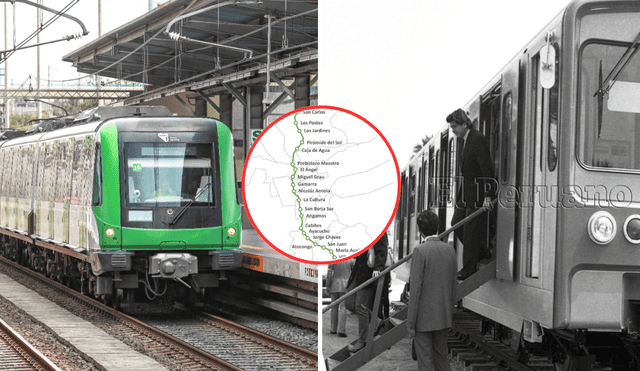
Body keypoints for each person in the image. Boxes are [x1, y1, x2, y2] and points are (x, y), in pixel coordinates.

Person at [447, 108, 495, 281]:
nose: (453, 131)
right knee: (456, 223)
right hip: (466, 195)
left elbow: (486, 169)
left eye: (454, 127)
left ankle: (469, 268)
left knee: (470, 230)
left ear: (464, 124)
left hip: (478, 194)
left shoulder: (477, 139)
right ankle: (482, 251)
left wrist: (488, 196)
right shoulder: (466, 141)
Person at [407, 210, 457, 371]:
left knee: (425, 360)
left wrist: (411, 322)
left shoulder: (420, 251)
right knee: (441, 357)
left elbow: (415, 290)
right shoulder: (450, 250)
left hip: (423, 317)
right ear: (437, 227)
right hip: (443, 315)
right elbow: (453, 286)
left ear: (420, 231)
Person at [346, 233, 389, 353]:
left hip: (368, 271)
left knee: (360, 306)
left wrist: (378, 268)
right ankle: (376, 321)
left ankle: (362, 341)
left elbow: (382, 248)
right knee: (349, 303)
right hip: (358, 269)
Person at [327, 259, 354, 337]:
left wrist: (328, 286)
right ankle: (341, 331)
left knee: (334, 308)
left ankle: (333, 329)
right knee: (343, 307)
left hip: (334, 284)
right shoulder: (351, 259)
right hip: (346, 286)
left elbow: (329, 273)